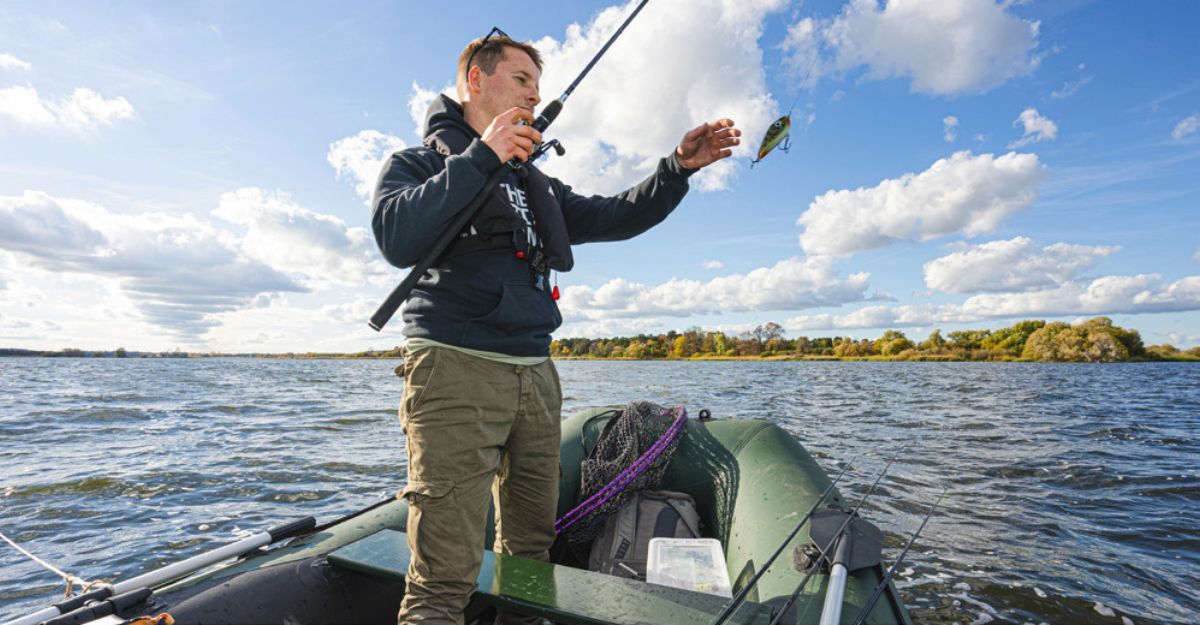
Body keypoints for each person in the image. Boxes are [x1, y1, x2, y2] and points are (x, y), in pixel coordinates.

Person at [371, 31, 739, 625]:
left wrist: (675, 170)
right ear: (476, 80)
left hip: (537, 376)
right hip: (455, 372)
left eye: (538, 89)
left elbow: (615, 214)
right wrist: (481, 158)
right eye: (521, 81)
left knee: (532, 550)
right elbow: (396, 236)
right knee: (442, 579)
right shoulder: (416, 164)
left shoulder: (532, 183)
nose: (533, 97)